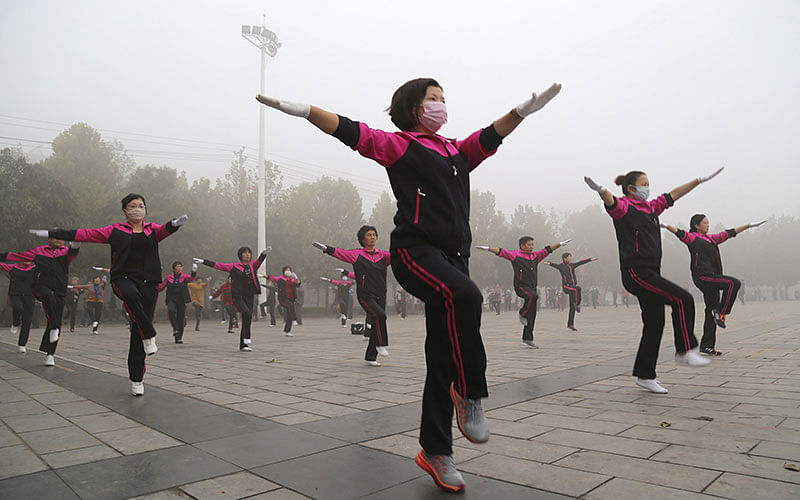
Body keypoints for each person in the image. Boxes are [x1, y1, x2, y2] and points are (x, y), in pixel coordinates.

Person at [258, 77, 561, 492]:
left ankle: (436, 452)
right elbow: (354, 133)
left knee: (441, 355)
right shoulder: (401, 145)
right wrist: (309, 111)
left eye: (443, 99)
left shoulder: (455, 150)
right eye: (432, 99)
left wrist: (522, 112)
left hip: (455, 259)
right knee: (468, 296)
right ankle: (470, 392)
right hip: (415, 254)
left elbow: (489, 137)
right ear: (413, 108)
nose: (440, 105)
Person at [584, 168, 723, 394]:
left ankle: (645, 375)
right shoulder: (623, 207)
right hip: (635, 272)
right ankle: (685, 350)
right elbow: (611, 201)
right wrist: (601, 190)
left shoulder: (651, 207)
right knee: (683, 299)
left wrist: (697, 180)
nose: (648, 187)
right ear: (631, 188)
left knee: (654, 323)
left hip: (652, 273)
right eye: (644, 183)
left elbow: (674, 194)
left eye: (649, 183)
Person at [35, 193, 187, 394]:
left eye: (141, 205)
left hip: (149, 282)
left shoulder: (152, 230)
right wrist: (55, 233)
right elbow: (86, 234)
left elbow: (165, 230)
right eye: (133, 205)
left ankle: (137, 379)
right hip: (123, 278)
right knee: (132, 300)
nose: (137, 209)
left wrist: (175, 224)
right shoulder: (115, 230)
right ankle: (150, 334)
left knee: (136, 333)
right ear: (125, 210)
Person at [662, 216, 766, 355]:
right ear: (696, 225)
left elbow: (729, 233)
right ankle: (722, 312)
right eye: (705, 223)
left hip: (713, 275)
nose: (708, 225)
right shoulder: (692, 238)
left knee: (711, 309)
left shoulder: (712, 239)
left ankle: (707, 345)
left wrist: (749, 225)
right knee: (733, 283)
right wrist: (666, 225)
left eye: (708, 223)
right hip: (702, 276)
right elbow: (679, 233)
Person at [313, 225, 390, 365]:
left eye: (374, 234)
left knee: (376, 321)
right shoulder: (357, 254)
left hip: (381, 294)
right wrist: (326, 248)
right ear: (362, 239)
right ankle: (381, 343)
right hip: (366, 295)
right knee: (381, 316)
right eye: (369, 235)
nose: (372, 237)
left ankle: (370, 357)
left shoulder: (383, 256)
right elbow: (340, 252)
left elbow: (400, 258)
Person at [476, 236, 568, 348]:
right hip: (521, 287)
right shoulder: (516, 256)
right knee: (533, 296)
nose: (531, 247)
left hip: (532, 287)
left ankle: (527, 339)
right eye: (529, 244)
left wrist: (560, 244)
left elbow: (547, 250)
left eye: (532, 244)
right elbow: (501, 251)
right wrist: (487, 248)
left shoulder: (535, 256)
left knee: (532, 313)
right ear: (522, 246)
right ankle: (522, 313)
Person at [1, 237, 80, 366]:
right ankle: (21, 323)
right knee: (46, 299)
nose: (59, 240)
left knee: (54, 319)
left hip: (56, 289)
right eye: (55, 237)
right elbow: (14, 256)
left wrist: (77, 241)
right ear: (49, 238)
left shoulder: (65, 252)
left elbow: (73, 252)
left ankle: (50, 354)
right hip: (40, 288)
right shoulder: (38, 251)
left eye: (61, 237)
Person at [195, 247, 268, 351]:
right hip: (238, 295)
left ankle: (243, 344)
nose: (247, 255)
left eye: (249, 253)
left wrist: (263, 254)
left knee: (247, 318)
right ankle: (246, 339)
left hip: (250, 294)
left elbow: (259, 262)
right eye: (245, 253)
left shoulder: (252, 265)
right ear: (240, 255)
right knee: (246, 313)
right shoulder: (234, 266)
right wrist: (204, 261)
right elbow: (218, 265)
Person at [546, 253, 598, 331]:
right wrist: (549, 263)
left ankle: (570, 324)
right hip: (567, 287)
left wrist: (590, 259)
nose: (570, 259)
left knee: (572, 307)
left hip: (573, 288)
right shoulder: (561, 266)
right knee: (578, 289)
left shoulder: (572, 265)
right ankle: (577, 304)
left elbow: (581, 262)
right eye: (569, 257)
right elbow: (555, 265)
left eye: (571, 257)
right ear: (564, 258)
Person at [158, 261, 197, 344]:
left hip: (181, 300)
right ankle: (175, 329)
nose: (179, 268)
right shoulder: (169, 278)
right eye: (177, 266)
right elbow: (161, 287)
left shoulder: (184, 277)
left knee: (181, 319)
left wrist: (194, 271)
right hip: (171, 299)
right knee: (171, 311)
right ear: (173, 269)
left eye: (180, 266)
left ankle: (178, 338)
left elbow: (192, 278)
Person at [0, 261, 35, 352]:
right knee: (18, 308)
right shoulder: (14, 267)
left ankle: (22, 344)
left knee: (27, 321)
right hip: (15, 294)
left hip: (29, 296)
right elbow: (1, 265)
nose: (27, 260)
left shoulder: (35, 268)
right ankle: (16, 323)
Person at [264, 266, 302, 336]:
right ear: (283, 272)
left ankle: (287, 331)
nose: (288, 271)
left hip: (291, 298)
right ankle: (294, 319)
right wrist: (266, 276)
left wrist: (298, 280)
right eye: (286, 270)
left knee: (289, 314)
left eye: (289, 270)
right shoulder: (280, 279)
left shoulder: (293, 279)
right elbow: (273, 278)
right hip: (283, 299)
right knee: (290, 306)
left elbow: (297, 285)